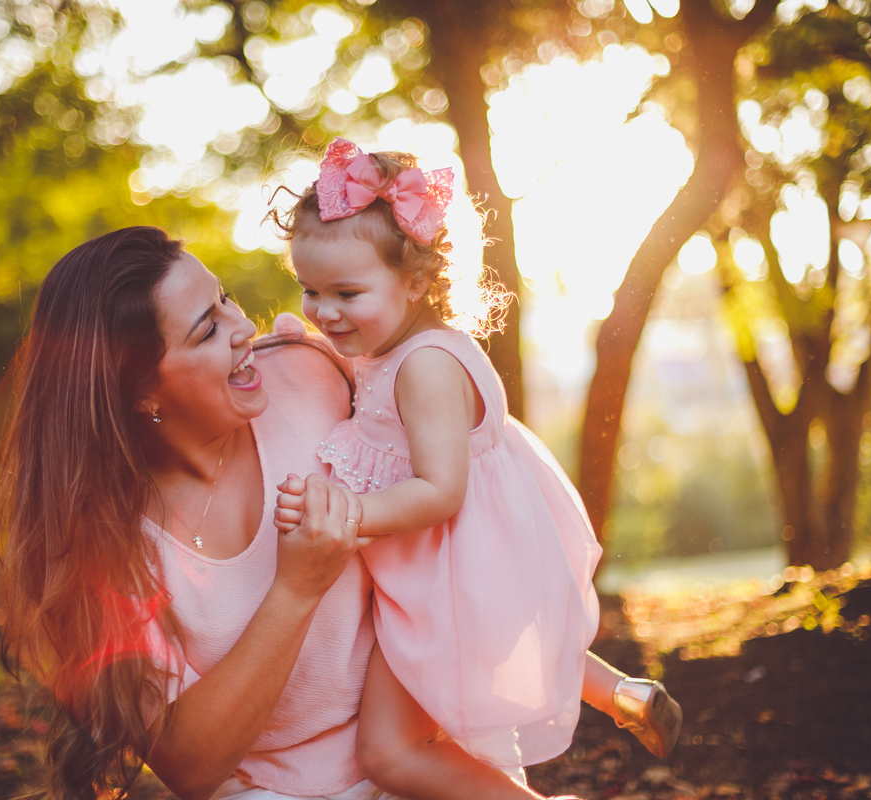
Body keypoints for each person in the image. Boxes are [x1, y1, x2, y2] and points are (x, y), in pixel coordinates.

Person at [271, 139, 683, 799]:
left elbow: (439, 490)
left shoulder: (425, 367)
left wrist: (347, 513)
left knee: (391, 751)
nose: (324, 312)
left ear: (416, 280)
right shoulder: (395, 343)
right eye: (309, 290)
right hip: (470, 558)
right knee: (515, 633)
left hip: (446, 569)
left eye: (345, 292)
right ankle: (626, 695)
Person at [0, 227, 399, 800]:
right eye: (207, 330)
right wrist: (296, 589)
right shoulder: (103, 548)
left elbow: (460, 468)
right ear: (139, 391)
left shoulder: (314, 376)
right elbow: (188, 764)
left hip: (414, 748)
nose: (243, 329)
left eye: (225, 298)